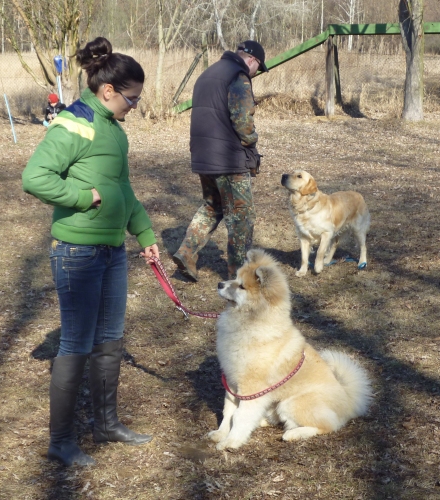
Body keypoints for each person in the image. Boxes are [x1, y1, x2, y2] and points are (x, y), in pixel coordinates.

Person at [22, 37, 159, 467]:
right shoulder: (73, 124)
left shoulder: (114, 131)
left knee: (111, 341)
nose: (135, 105)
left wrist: (145, 232)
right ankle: (61, 440)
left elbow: (123, 189)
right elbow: (35, 177)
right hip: (77, 252)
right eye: (131, 98)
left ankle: (107, 424)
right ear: (108, 91)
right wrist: (85, 197)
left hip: (113, 251)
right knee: (77, 344)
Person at [172, 40, 267, 281]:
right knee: (241, 217)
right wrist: (252, 142)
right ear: (253, 60)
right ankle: (240, 277)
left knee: (212, 206)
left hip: (203, 154)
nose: (256, 73)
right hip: (228, 157)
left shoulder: (208, 73)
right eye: (258, 68)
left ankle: (187, 253)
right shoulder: (239, 76)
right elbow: (242, 121)